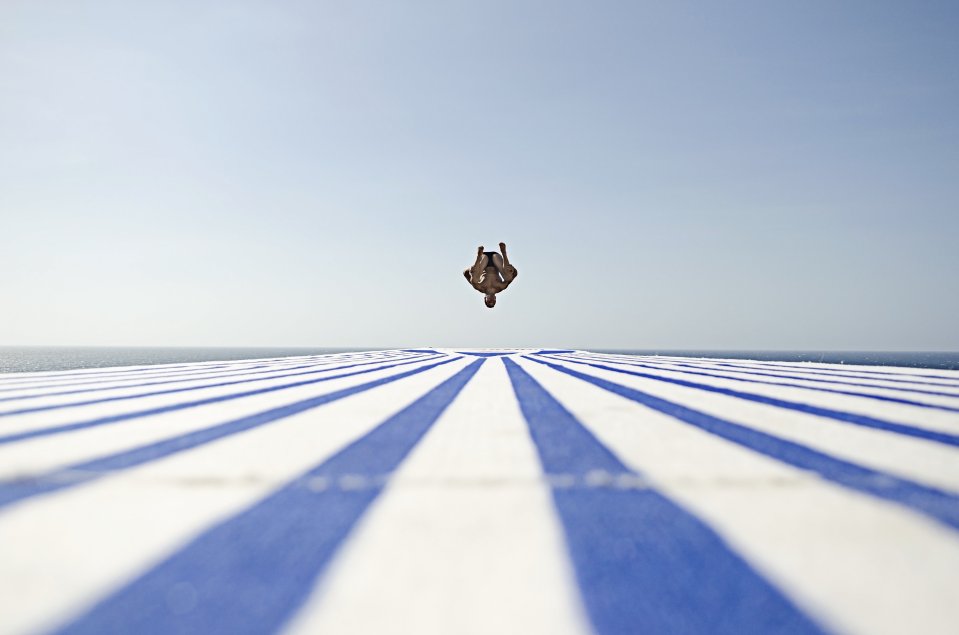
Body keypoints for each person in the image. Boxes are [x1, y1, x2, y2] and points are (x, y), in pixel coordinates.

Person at [463, 242, 518, 308]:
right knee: (508, 277)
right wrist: (512, 269)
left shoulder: (480, 287)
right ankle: (504, 252)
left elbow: (465, 273)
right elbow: (514, 274)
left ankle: (478, 256)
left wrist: (470, 270)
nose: (491, 300)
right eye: (493, 301)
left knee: (474, 279)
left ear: (485, 299)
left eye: (489, 301)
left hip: (484, 260)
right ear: (495, 299)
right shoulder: (501, 287)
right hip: (496, 260)